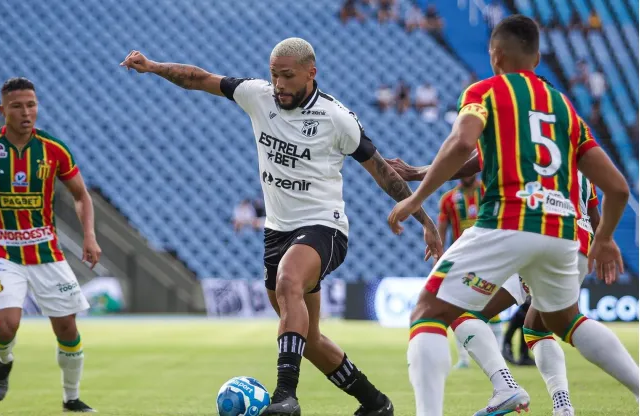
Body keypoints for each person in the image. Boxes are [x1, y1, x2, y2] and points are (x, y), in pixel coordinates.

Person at [120, 37, 443, 416]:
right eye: (274, 75)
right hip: (277, 232)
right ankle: (375, 403)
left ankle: (285, 397)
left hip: (325, 227)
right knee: (309, 336)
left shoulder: (337, 118)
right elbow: (198, 78)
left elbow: (383, 172)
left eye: (287, 76)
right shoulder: (257, 95)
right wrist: (154, 66)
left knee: (290, 281)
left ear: (311, 73)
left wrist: (425, 220)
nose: (279, 85)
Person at [388, 15, 638, 415]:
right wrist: (605, 237)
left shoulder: (485, 91)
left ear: (495, 55)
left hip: (509, 220)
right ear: (537, 58)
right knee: (563, 321)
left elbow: (461, 142)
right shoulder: (564, 109)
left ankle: (463, 401)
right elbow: (619, 188)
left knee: (431, 311)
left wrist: (416, 197)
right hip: (565, 233)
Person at [0, 77, 101, 413]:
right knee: (6, 325)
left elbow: (81, 195)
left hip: (47, 253)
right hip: (2, 253)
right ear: (1, 110)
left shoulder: (54, 149)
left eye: (31, 105)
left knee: (67, 328)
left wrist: (89, 235)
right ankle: (4, 360)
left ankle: (71, 398)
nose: (26, 112)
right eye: (17, 105)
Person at [437, 174, 504, 369]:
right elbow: (442, 228)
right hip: (462, 258)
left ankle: (498, 354)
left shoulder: (488, 191)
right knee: (457, 305)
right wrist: (440, 255)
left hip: (489, 257)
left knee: (492, 302)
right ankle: (464, 359)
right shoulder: (449, 199)